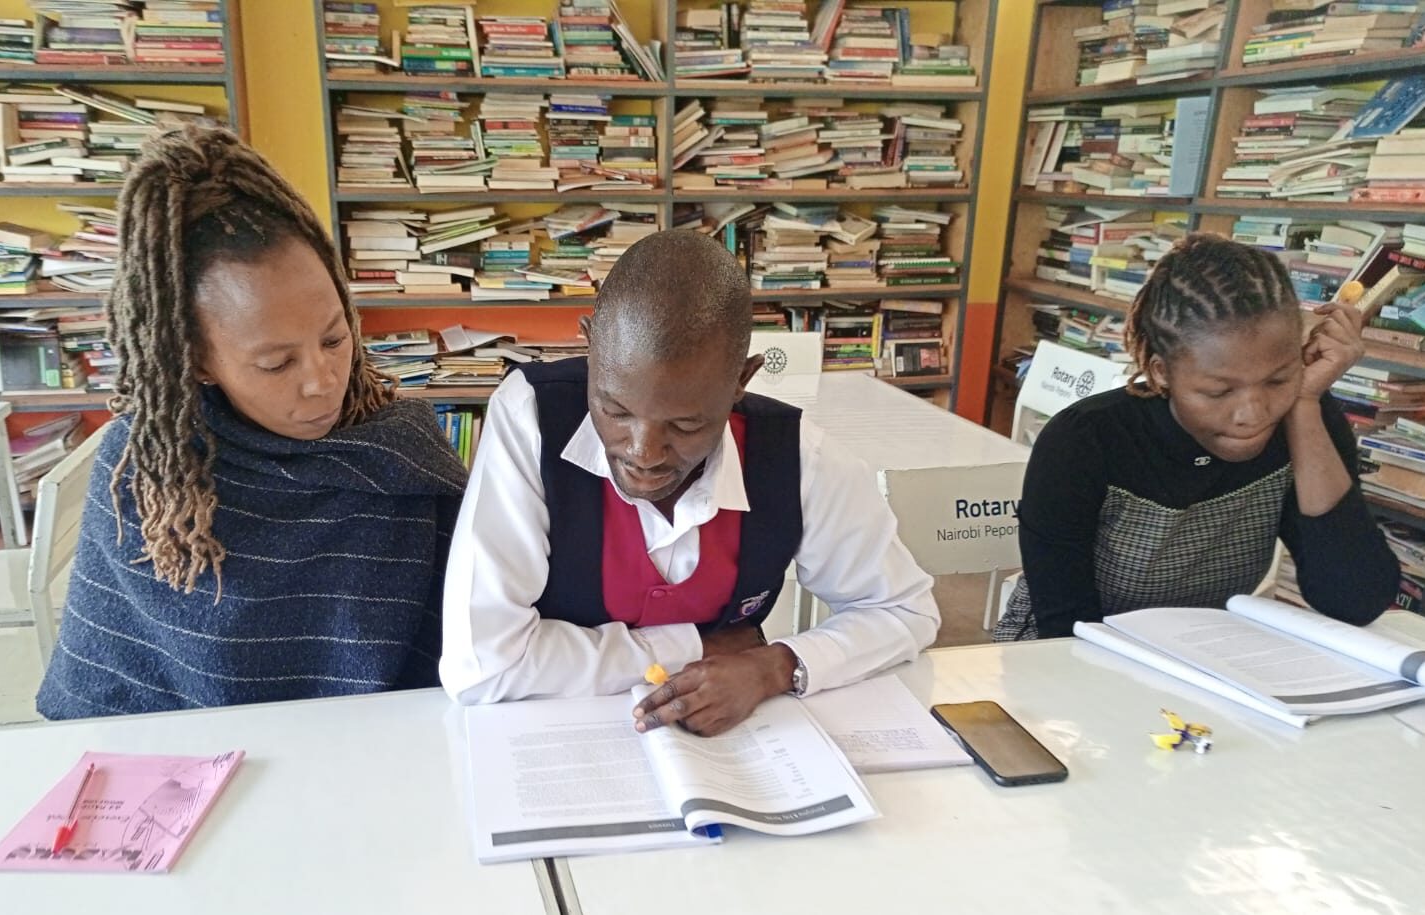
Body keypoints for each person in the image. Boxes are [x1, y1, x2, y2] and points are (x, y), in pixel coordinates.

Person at [37, 126, 467, 719]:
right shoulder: (149, 478)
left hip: (392, 759)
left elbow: (474, 657)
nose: (322, 380)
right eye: (275, 362)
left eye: (335, 338)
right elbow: (115, 703)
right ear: (198, 361)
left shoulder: (402, 456)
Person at [440, 230, 939, 736]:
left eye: (685, 426)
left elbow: (905, 610)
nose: (643, 452)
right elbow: (480, 666)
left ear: (741, 382)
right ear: (590, 348)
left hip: (734, 741)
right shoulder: (531, 418)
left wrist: (774, 666)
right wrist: (696, 646)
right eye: (614, 410)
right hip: (550, 738)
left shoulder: (795, 457)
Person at [995, 234, 1399, 641]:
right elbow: (1065, 628)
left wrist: (1307, 403)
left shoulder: (1303, 418)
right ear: (1160, 372)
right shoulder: (1085, 440)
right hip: (1068, 655)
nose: (1252, 414)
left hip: (1201, 653)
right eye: (1219, 391)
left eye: (1278, 379)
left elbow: (1355, 600)